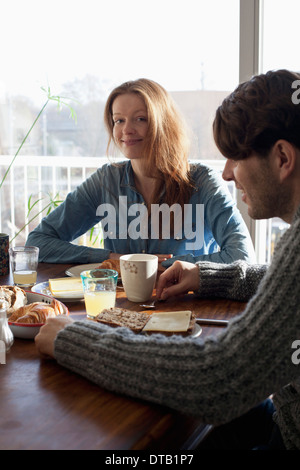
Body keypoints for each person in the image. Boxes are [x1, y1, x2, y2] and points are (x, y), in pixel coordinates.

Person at [35, 69, 300, 449]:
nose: (226, 173)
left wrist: (76, 340)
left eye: (236, 158)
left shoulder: (207, 185)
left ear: (282, 157)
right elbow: (278, 278)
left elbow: (216, 379)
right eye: (120, 120)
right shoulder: (107, 181)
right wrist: (205, 274)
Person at [26, 78, 255, 269]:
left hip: (192, 306)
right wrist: (111, 259)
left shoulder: (202, 181)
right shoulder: (106, 181)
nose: (126, 130)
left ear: (162, 123)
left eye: (140, 119)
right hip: (122, 308)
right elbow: (38, 242)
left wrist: (162, 266)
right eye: (119, 120)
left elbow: (243, 257)